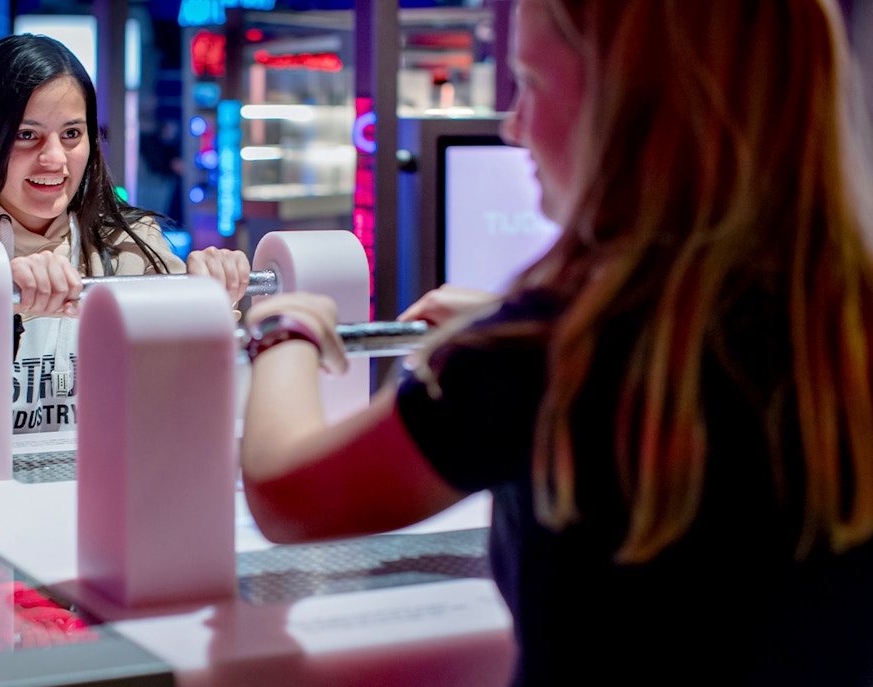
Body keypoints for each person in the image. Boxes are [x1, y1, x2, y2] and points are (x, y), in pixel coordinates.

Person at [239, 0, 873, 684]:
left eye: (532, 83)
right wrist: (499, 319)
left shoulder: (549, 354)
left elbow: (289, 493)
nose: (513, 126)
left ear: (635, 110)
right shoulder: (840, 331)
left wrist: (285, 327)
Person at [0, 33, 250, 435]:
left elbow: (182, 397)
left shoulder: (130, 242)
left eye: (71, 134)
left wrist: (212, 307)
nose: (54, 159)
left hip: (98, 470)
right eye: (26, 135)